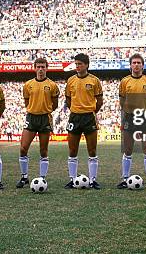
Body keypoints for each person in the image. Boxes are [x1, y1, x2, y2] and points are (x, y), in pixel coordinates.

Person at [16, 58, 59, 188]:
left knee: (43, 150)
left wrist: (44, 110)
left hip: (45, 118)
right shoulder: (28, 85)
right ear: (34, 68)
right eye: (38, 67)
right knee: (23, 148)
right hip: (31, 118)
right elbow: (26, 103)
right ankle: (24, 177)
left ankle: (42, 178)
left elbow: (55, 104)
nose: (40, 69)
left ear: (47, 68)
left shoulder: (52, 85)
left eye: (43, 67)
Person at [117, 53, 146, 189]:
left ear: (143, 65)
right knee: (128, 149)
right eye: (134, 63)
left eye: (138, 63)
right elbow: (122, 101)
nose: (136, 65)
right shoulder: (124, 81)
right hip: (129, 117)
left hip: (144, 117)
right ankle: (125, 178)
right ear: (130, 66)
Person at [64, 53, 103, 189]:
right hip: (75, 117)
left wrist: (91, 111)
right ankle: (72, 179)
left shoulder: (94, 80)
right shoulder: (70, 81)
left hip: (89, 117)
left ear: (86, 65)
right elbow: (68, 100)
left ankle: (93, 180)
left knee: (92, 150)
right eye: (76, 64)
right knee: (72, 150)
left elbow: (100, 101)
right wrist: (76, 110)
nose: (77, 66)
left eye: (80, 64)